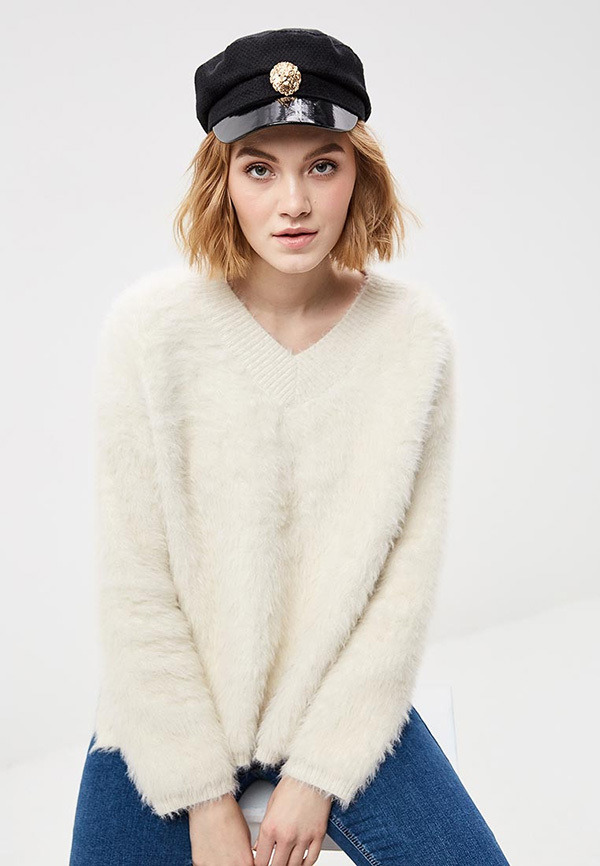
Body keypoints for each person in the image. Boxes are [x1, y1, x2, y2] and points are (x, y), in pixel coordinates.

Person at [69, 27, 511, 866]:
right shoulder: (149, 334)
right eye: (260, 168)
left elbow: (401, 592)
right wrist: (203, 798)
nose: (295, 202)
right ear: (223, 179)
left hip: (338, 708)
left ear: (359, 174)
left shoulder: (415, 340)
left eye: (322, 165)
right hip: (170, 716)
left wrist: (317, 774)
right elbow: (136, 590)